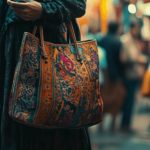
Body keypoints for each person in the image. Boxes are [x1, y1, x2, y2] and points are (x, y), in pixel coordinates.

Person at [0, 0, 91, 150]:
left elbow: (78, 4)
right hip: (9, 55)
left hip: (49, 53)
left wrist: (44, 10)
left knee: (52, 116)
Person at [97, 22, 126, 131]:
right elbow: (120, 61)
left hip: (102, 77)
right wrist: (121, 76)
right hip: (114, 75)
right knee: (116, 100)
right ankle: (113, 125)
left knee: (102, 100)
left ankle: (101, 125)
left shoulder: (101, 40)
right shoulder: (117, 42)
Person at [120, 20, 148, 132]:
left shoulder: (133, 40)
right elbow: (125, 58)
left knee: (130, 101)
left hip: (134, 74)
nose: (137, 31)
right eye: (136, 28)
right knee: (128, 100)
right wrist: (138, 60)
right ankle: (125, 124)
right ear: (132, 28)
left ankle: (126, 123)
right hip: (129, 75)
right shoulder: (126, 40)